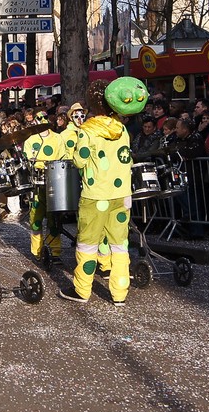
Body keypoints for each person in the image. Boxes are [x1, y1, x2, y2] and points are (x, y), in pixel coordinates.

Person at [58, 80, 132, 306]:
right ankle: (120, 293)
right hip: (121, 194)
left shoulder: (87, 131)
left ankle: (82, 289)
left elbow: (80, 161)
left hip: (96, 193)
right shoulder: (122, 128)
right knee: (120, 244)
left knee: (88, 244)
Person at [21, 110, 68, 264]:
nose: (41, 120)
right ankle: (37, 251)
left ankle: (54, 252)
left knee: (54, 218)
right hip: (37, 184)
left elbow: (64, 157)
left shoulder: (58, 138)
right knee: (36, 218)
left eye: (44, 117)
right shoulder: (30, 139)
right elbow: (27, 159)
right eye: (38, 118)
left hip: (55, 181)